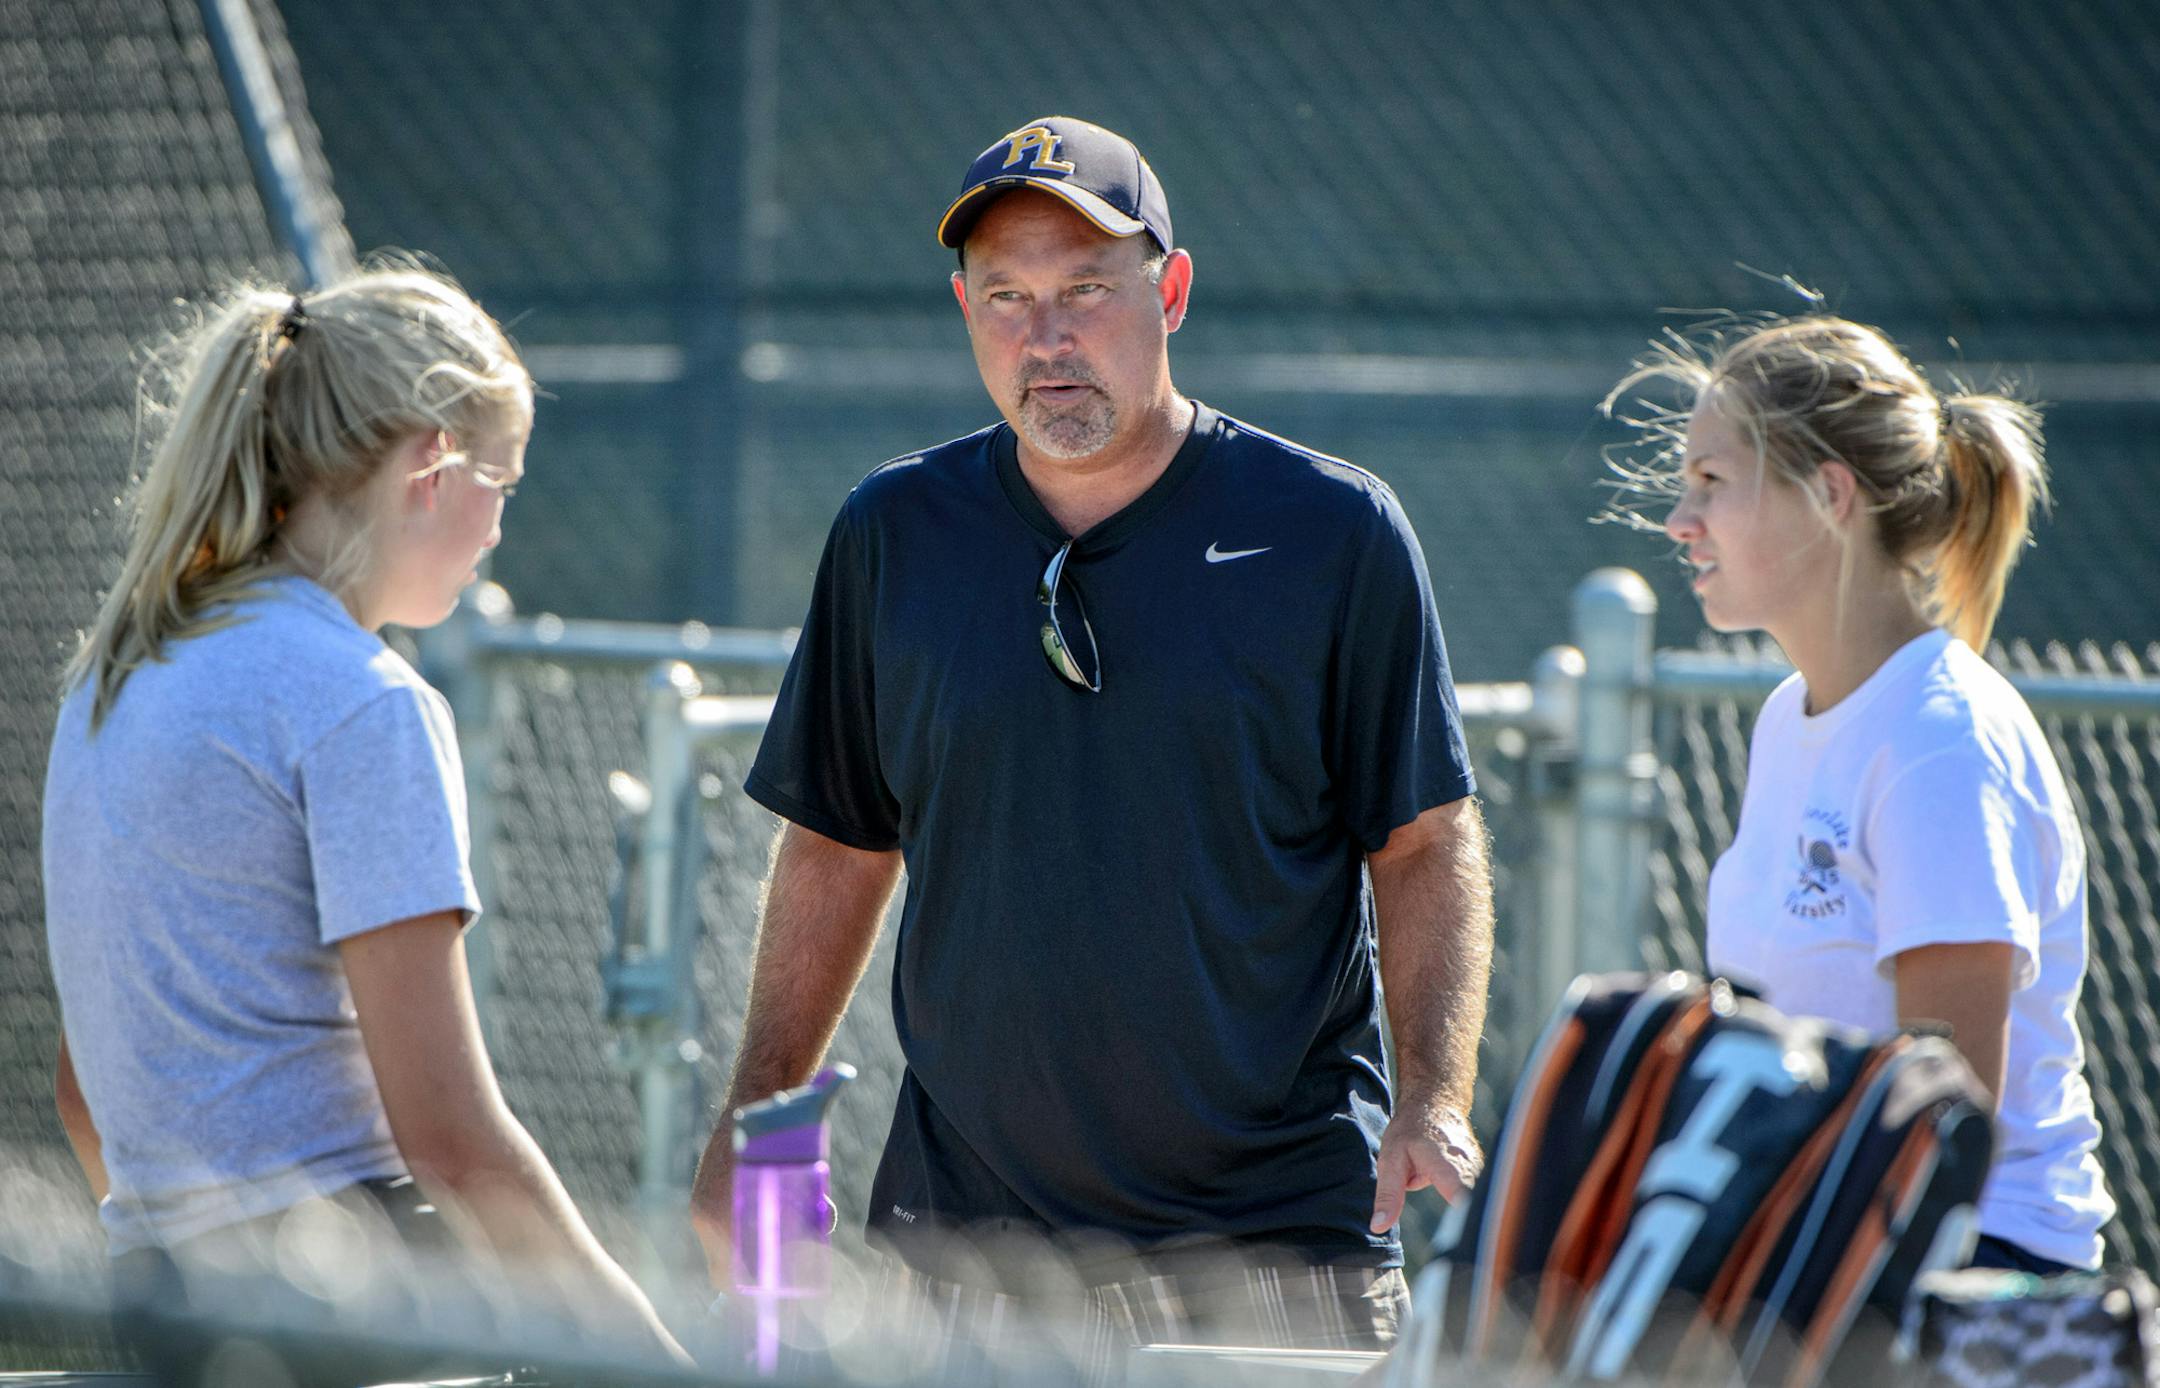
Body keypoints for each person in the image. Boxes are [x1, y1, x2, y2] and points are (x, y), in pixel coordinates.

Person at [689, 116, 1495, 1361]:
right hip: (968, 1257)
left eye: (1085, 291)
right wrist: (758, 1109)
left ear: (1169, 291)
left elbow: (1425, 840)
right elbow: (839, 845)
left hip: (1275, 1249)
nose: (1046, 337)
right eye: (1006, 297)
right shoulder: (894, 531)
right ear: (963, 308)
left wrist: (1436, 1094)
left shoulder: (1334, 530)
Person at [41, 263, 689, 1379]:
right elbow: (453, 1141)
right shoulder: (361, 700)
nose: (499, 525)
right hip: (357, 1314)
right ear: (429, 462)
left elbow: (83, 1094)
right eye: (503, 480)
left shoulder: (114, 684)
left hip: (158, 1309)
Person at [1609, 313, 2116, 1275]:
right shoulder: (1788, 719)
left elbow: (1942, 1118)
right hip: (1817, 1247)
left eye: (1713, 481)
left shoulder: (1940, 740)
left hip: (1963, 1267)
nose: (1681, 519)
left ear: (1830, 494)